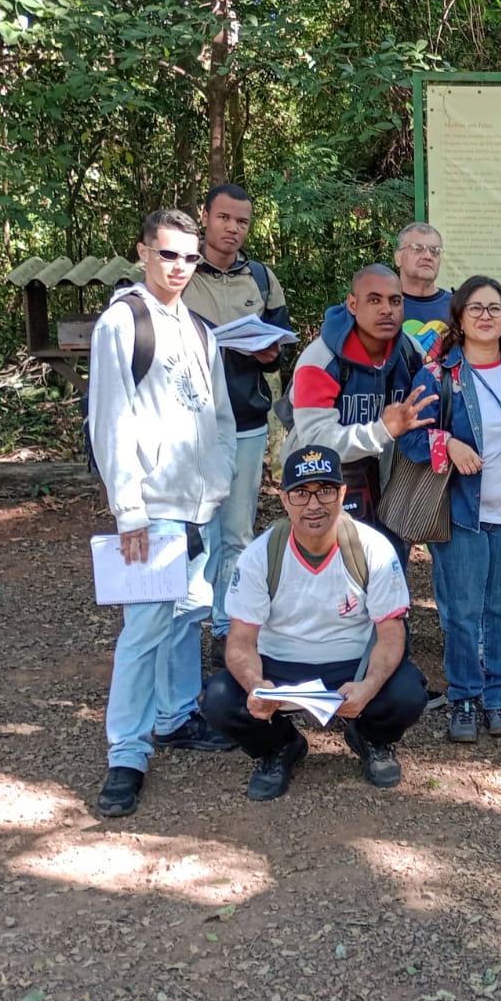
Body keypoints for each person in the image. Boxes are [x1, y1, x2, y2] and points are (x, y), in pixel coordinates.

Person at [87, 208, 237, 818]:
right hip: (152, 508)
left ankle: (176, 716)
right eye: (168, 253)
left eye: (189, 257)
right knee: (145, 629)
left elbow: (221, 416)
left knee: (187, 616)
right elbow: (111, 419)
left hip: (199, 506)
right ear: (143, 252)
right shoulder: (123, 322)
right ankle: (126, 752)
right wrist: (129, 511)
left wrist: (220, 479)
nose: (179, 266)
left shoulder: (200, 329)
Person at [201, 446, 427, 797]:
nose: (314, 504)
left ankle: (370, 737)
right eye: (301, 493)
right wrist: (256, 685)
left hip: (352, 664)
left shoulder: (373, 548)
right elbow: (241, 640)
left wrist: (368, 686)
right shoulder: (261, 554)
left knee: (408, 693)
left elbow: (391, 634)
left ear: (342, 493)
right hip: (279, 666)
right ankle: (279, 745)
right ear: (284, 499)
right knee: (219, 699)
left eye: (325, 491)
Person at [397, 277, 501, 742]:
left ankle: (500, 696)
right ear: (459, 318)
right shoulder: (438, 374)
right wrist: (446, 443)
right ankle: (464, 696)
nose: (486, 316)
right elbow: (407, 436)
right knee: (462, 613)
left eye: (495, 308)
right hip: (463, 513)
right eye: (476, 308)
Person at [182, 183, 292, 667]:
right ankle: (189, 623)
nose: (232, 228)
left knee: (238, 530)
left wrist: (270, 353)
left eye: (242, 221)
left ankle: (227, 631)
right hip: (190, 423)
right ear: (205, 217)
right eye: (224, 218)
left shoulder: (261, 279)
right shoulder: (181, 274)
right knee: (195, 528)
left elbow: (279, 344)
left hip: (246, 419)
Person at [285, 264, 440, 564]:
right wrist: (382, 430)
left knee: (390, 567)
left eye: (395, 301)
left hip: (391, 485)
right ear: (352, 304)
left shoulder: (410, 353)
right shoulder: (320, 359)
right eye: (374, 299)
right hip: (327, 486)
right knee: (338, 569)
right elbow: (316, 441)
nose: (386, 309)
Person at [395, 222, 451, 357]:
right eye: (417, 249)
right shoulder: (382, 306)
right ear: (398, 258)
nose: (428, 256)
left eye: (435, 251)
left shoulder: (457, 307)